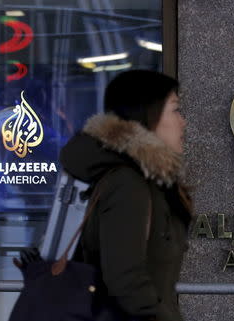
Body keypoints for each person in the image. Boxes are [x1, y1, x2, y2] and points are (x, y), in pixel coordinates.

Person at [59, 70, 192, 321]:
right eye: (175, 110)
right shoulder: (128, 185)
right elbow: (126, 280)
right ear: (148, 115)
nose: (182, 122)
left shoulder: (146, 181)